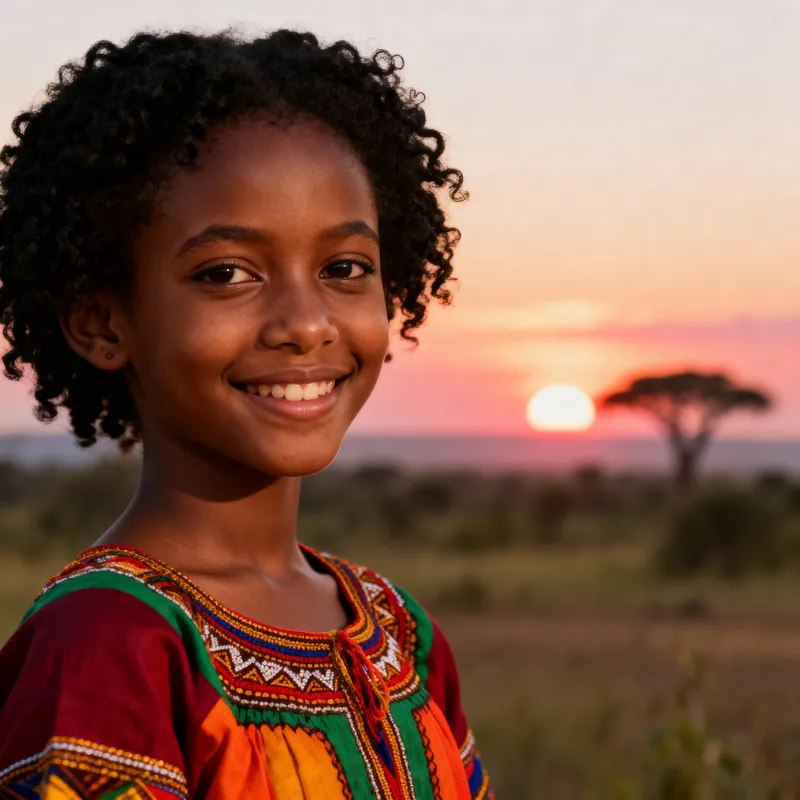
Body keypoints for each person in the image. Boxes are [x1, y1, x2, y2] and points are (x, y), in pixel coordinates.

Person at [0, 28, 493, 800]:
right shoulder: (108, 645)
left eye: (344, 268)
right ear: (102, 323)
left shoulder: (402, 635)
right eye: (227, 273)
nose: (305, 322)